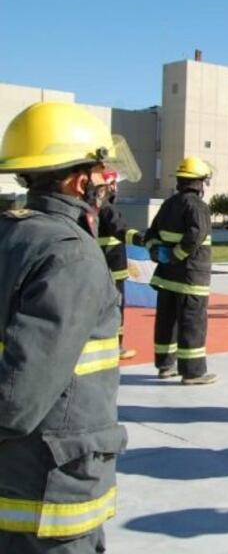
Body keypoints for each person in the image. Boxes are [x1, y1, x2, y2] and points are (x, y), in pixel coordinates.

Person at [0, 101, 141, 552]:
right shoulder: (70, 254)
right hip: (48, 491)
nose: (105, 184)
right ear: (81, 180)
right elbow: (19, 398)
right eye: (101, 173)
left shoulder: (11, 233)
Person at [145, 156, 218, 385]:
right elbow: (195, 237)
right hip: (190, 276)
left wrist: (159, 253)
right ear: (199, 182)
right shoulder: (198, 207)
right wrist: (177, 256)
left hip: (167, 277)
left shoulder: (168, 205)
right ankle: (193, 372)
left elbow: (151, 234)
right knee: (192, 323)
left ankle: (165, 366)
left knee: (166, 321)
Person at [95, 170, 144, 361]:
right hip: (114, 268)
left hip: (99, 267)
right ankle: (117, 347)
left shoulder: (91, 208)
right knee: (116, 309)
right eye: (114, 184)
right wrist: (142, 239)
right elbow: (121, 231)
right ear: (109, 187)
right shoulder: (109, 209)